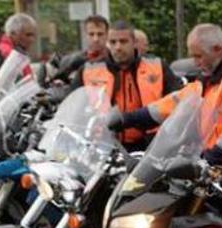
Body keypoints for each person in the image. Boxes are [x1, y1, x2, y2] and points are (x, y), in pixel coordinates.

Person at [111, 24, 222, 169]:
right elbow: (174, 103)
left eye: (198, 56)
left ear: (218, 50)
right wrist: (125, 119)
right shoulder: (210, 76)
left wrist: (203, 163)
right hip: (220, 162)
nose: (195, 62)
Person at [76, 21, 180, 151]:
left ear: (134, 42)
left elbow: (177, 98)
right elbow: (74, 107)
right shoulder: (89, 70)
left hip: (151, 145)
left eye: (123, 41)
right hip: (104, 145)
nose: (118, 47)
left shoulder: (157, 66)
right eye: (113, 42)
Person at [51, 15, 110, 85]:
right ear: (85, 35)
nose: (96, 39)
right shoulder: (73, 61)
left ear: (107, 35)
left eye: (100, 34)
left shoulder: (114, 60)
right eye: (91, 34)